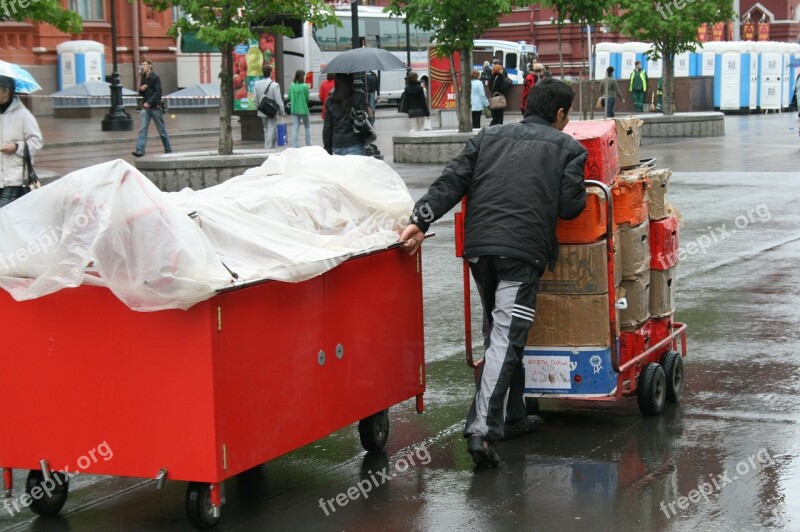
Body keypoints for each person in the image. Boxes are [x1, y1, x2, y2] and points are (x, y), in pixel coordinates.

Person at [399, 79, 587, 468]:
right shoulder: (569, 149)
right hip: (520, 255)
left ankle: (513, 415)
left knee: (499, 334)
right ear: (560, 114)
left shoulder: (488, 137)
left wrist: (420, 219)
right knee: (505, 338)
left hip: (480, 250)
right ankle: (481, 431)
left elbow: (452, 180)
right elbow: (571, 208)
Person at [0, 75, 43, 207]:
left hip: (14, 177)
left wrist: (16, 147)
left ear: (6, 91)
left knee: (4, 212)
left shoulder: (23, 114)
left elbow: (36, 141)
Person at [132, 59, 172, 157]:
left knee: (161, 130)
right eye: (142, 64)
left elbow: (158, 92)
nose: (143, 66)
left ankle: (168, 149)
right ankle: (140, 150)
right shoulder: (143, 77)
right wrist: (141, 90)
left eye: (144, 64)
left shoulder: (155, 77)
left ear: (150, 65)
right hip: (146, 108)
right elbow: (141, 93)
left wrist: (149, 102)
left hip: (155, 108)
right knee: (143, 129)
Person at [323, 73, 370, 156]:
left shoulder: (330, 101)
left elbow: (327, 127)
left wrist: (327, 147)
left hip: (338, 145)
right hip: (355, 143)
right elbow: (363, 119)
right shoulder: (357, 97)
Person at [253, 65, 286, 149]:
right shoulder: (275, 85)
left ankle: (266, 145)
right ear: (271, 73)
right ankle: (269, 147)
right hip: (272, 111)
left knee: (266, 128)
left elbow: (255, 99)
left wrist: (258, 106)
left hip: (262, 111)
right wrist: (282, 112)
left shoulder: (257, 84)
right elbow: (278, 100)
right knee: (271, 128)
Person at [287, 69, 311, 148]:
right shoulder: (305, 86)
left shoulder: (292, 85)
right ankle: (308, 144)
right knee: (307, 126)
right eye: (304, 75)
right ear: (302, 76)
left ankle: (294, 145)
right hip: (303, 109)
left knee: (295, 126)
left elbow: (289, 97)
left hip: (294, 109)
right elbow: (307, 98)